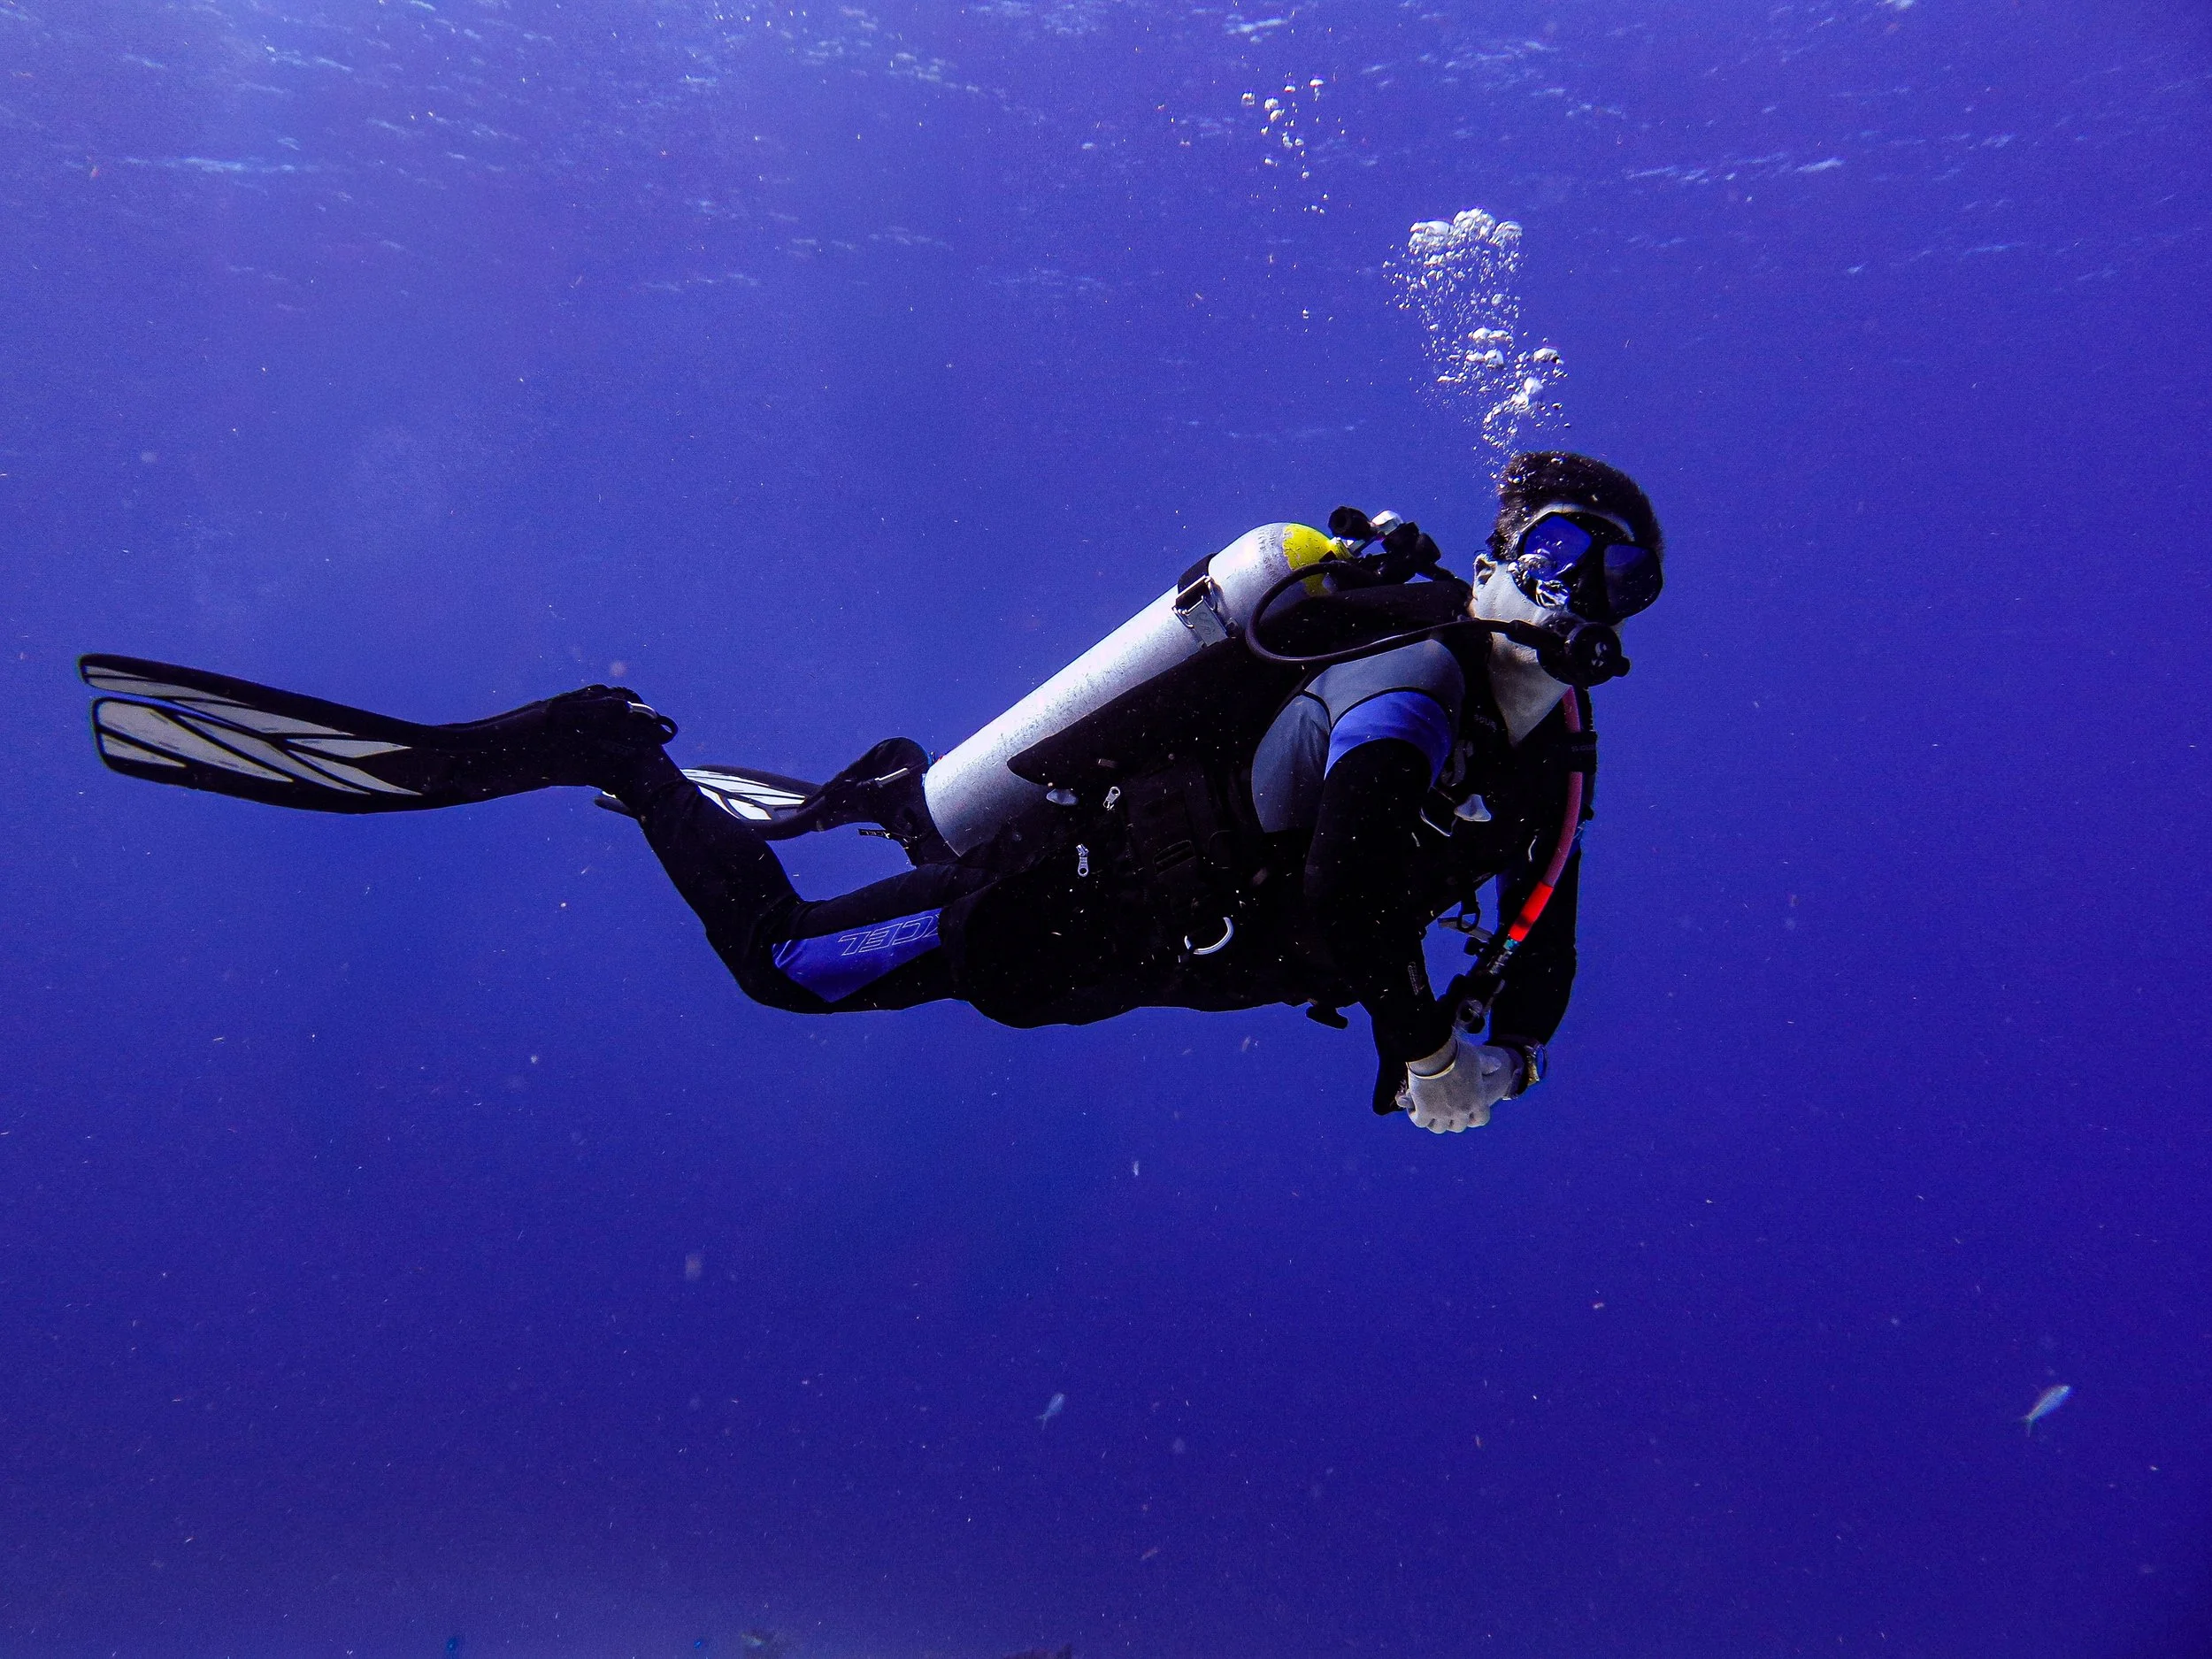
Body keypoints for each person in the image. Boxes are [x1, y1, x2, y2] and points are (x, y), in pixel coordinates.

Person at [81, 451, 1663, 1132]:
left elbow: (1557, 952)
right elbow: (1344, 897)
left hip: (1113, 959)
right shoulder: (1413, 681)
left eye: (1609, 572)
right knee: (784, 969)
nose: (1566, 583)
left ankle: (892, 796)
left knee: (914, 869)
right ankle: (602, 745)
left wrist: (1503, 1056)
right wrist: (1415, 1043)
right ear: (1503, 549)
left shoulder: (1550, 773)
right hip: (1057, 911)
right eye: (1551, 545)